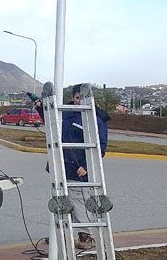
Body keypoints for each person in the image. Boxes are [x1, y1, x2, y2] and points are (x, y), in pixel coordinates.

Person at [36, 84, 111, 249]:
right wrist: (42, 110)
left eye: (82, 98)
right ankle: (59, 235)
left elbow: (100, 147)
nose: (79, 102)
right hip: (61, 165)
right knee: (61, 200)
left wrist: (86, 166)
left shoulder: (96, 119)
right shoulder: (66, 113)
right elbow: (53, 125)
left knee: (78, 203)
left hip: (80, 171)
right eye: (77, 98)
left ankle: (86, 237)